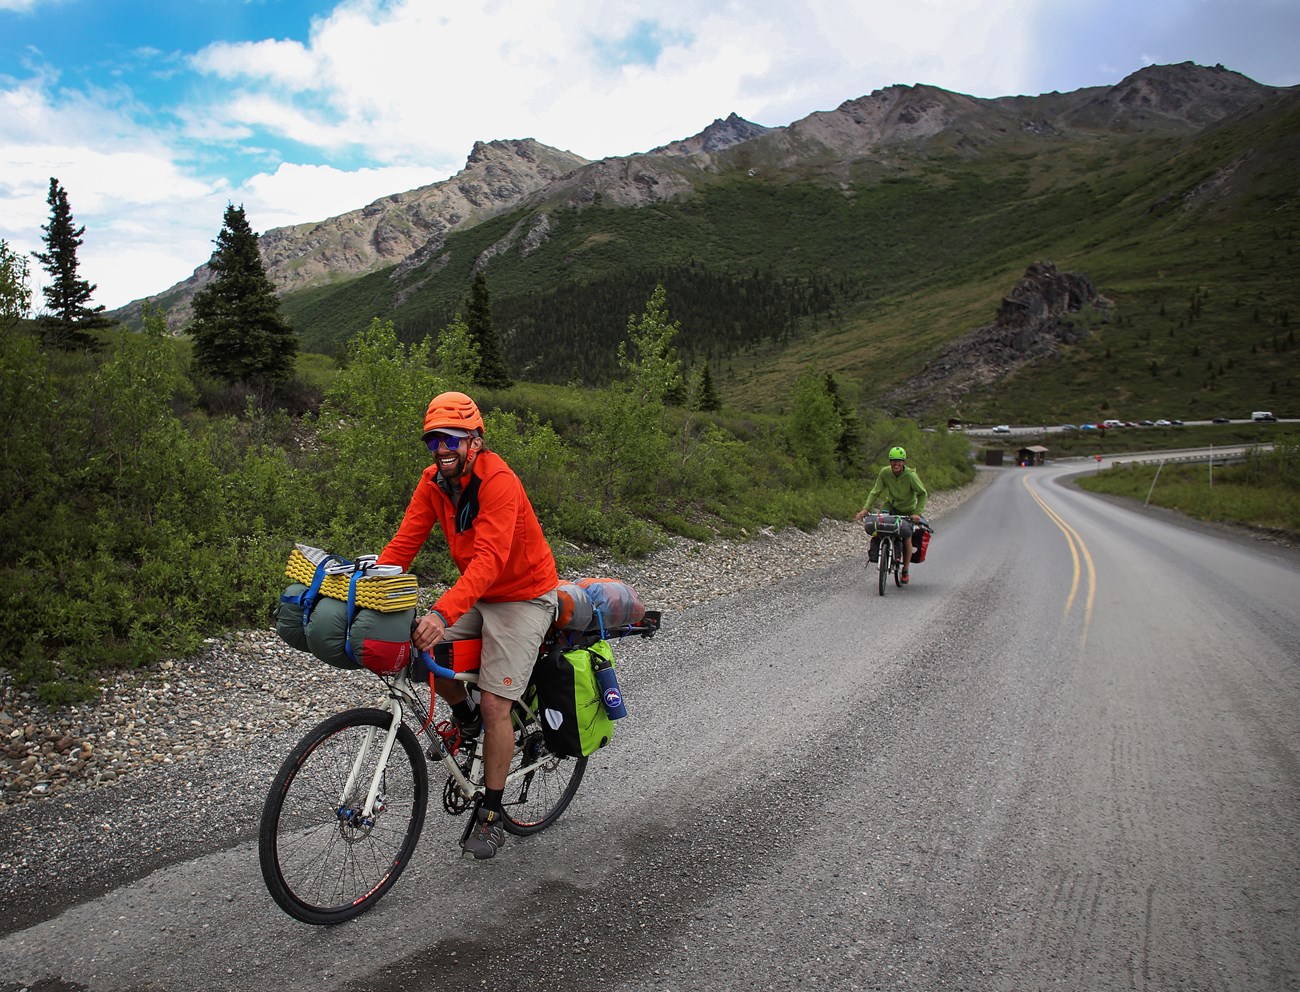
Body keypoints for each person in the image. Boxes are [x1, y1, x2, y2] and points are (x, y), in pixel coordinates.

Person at [377, 391, 559, 861]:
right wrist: (372, 591)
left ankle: (492, 815)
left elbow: (491, 560)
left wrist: (442, 613)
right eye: (434, 439)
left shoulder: (499, 481)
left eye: (452, 439)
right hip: (481, 591)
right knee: (422, 652)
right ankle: (467, 719)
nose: (442, 448)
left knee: (498, 700)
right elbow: (404, 544)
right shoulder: (433, 481)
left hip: (522, 594)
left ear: (475, 441)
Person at [853, 445, 928, 585]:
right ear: (890, 461)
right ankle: (881, 551)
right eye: (893, 460)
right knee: (880, 525)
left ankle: (905, 570)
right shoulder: (885, 473)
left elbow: (923, 494)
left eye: (899, 460)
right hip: (890, 506)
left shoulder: (911, 476)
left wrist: (917, 513)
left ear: (904, 462)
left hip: (908, 511)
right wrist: (865, 509)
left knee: (907, 538)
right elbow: (875, 491)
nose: (896, 463)